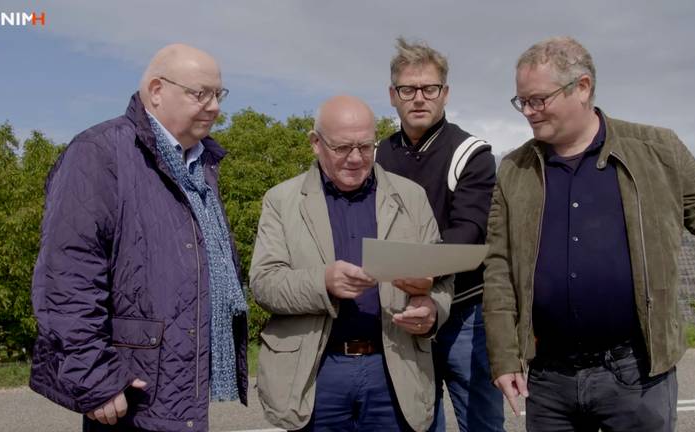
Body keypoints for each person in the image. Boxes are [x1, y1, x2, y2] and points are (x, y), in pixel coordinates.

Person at [483, 36, 695, 432]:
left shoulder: (657, 149)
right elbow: (498, 267)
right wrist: (505, 357)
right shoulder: (514, 170)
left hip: (636, 374)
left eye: (538, 99)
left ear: (582, 87)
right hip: (548, 379)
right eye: (521, 101)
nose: (528, 111)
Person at [29, 44, 249, 432]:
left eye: (219, 94)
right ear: (157, 90)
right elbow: (66, 279)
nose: (214, 106)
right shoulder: (99, 153)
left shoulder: (198, 165)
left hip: (182, 385)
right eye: (201, 94)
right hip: (132, 390)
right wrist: (93, 379)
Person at [250, 95, 454, 431]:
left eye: (365, 146)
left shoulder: (412, 197)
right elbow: (264, 285)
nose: (356, 158)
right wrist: (323, 282)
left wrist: (432, 310)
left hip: (394, 368)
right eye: (343, 148)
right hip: (317, 371)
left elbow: (442, 279)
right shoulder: (281, 201)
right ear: (316, 143)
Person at [376, 38, 504, 432]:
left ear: (444, 93)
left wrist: (417, 276)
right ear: (392, 95)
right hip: (402, 311)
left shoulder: (470, 152)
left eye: (429, 89)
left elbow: (467, 233)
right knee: (416, 422)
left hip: (465, 313)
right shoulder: (378, 155)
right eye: (407, 89)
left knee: (481, 424)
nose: (419, 98)